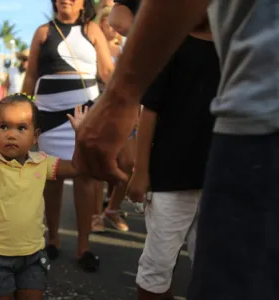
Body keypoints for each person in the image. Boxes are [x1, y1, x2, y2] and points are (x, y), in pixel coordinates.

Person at [73, 0, 279, 299]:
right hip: (174, 174)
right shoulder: (175, 49)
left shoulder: (232, 47)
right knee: (161, 264)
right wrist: (141, 172)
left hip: (219, 170)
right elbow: (150, 112)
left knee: (214, 267)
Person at [0, 94, 87, 300]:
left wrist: (80, 136)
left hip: (33, 254)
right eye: (4, 127)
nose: (11, 134)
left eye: (21, 128)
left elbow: (76, 167)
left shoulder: (43, 162)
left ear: (36, 135)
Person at [22, 0, 114, 272]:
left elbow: (107, 71)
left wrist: (126, 103)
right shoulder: (42, 32)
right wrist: (21, 113)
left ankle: (83, 246)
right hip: (48, 114)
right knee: (52, 176)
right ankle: (53, 239)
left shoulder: (93, 30)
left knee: (85, 176)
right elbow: (30, 76)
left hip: (85, 113)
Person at [91, 4, 133, 233]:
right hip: (99, 108)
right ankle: (96, 215)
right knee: (99, 164)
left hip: (124, 109)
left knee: (127, 163)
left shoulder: (125, 50)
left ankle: (112, 208)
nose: (112, 28)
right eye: (107, 23)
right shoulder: (92, 47)